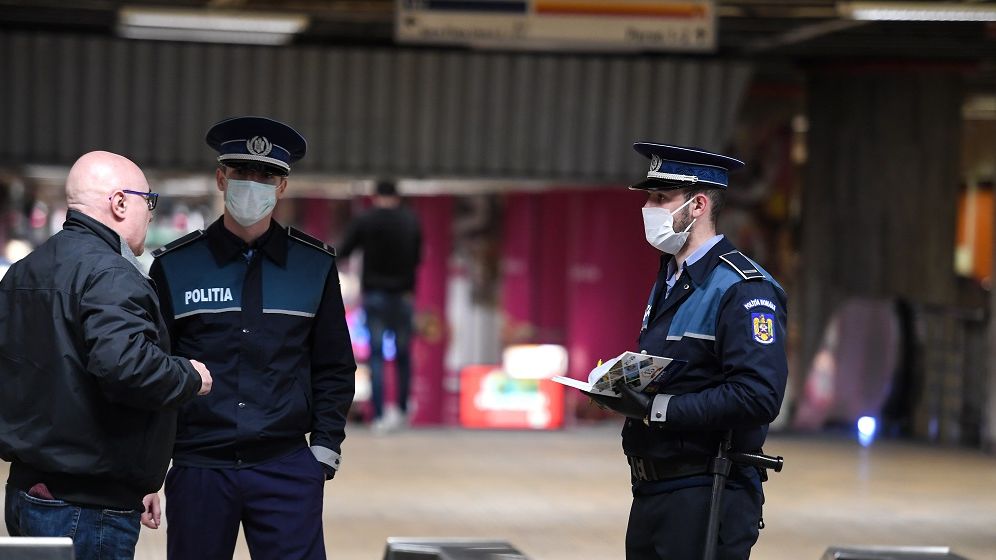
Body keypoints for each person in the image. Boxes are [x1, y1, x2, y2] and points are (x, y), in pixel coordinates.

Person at [149, 116, 356, 560]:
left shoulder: (313, 265)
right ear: (221, 178)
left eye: (266, 175)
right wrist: (147, 469)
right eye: (242, 172)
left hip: (286, 466)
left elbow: (335, 363)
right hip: (200, 466)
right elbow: (154, 369)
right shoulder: (174, 267)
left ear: (282, 187)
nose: (253, 183)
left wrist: (323, 449)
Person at [0, 151, 213, 560]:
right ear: (119, 202)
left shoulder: (24, 271)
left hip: (29, 491)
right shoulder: (111, 274)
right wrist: (189, 375)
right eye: (146, 201)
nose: (150, 214)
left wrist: (140, 482)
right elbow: (125, 367)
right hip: (86, 507)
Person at [584, 143, 788, 560]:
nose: (649, 207)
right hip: (653, 489)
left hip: (706, 489)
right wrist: (623, 390)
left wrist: (658, 409)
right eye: (649, 197)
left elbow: (759, 396)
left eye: (661, 198)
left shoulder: (744, 288)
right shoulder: (672, 277)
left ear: (697, 205)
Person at [339, 180, 422, 433]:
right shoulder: (411, 221)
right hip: (403, 295)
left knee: (375, 355)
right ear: (398, 196)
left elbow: (345, 250)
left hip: (375, 295)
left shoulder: (367, 220)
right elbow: (418, 257)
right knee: (403, 354)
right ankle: (402, 409)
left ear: (376, 196)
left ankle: (378, 414)